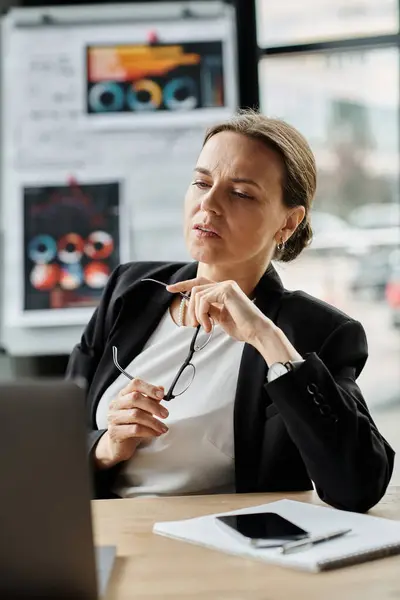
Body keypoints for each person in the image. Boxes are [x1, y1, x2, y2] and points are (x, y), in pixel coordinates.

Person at [66, 109, 394, 511]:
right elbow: (52, 447)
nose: (209, 203)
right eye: (201, 182)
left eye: (240, 193)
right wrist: (106, 447)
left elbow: (357, 485)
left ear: (288, 223)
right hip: (107, 534)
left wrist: (268, 339)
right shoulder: (129, 292)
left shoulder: (315, 331)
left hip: (226, 553)